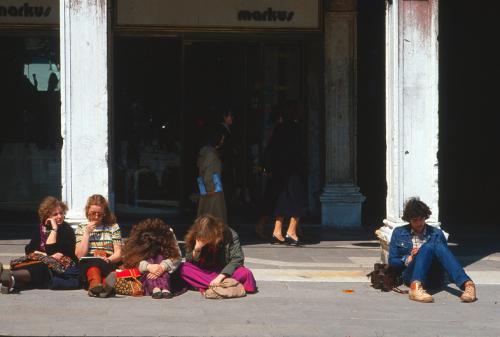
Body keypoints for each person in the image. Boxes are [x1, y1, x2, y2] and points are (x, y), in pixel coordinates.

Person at [388, 197, 477, 303]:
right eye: (414, 220)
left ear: (425, 217)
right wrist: (408, 258)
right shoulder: (399, 233)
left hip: (434, 276)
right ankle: (415, 288)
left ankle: (467, 285)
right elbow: (392, 260)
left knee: (432, 246)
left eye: (421, 219)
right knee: (428, 247)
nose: (419, 223)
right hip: (411, 276)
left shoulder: (436, 233)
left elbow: (445, 258)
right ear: (409, 220)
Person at [0, 196, 79, 294]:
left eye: (61, 213)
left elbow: (56, 252)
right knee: (32, 265)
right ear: (47, 216)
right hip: (41, 261)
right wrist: (42, 255)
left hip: (61, 265)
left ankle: (9, 276)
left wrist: (54, 230)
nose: (59, 216)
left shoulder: (67, 230)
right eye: (55, 214)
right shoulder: (41, 229)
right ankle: (10, 280)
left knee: (41, 267)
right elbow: (29, 249)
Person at [179, 214, 257, 294]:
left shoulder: (229, 234)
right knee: (183, 268)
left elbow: (237, 259)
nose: (205, 239)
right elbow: (189, 261)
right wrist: (197, 249)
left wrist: (220, 277)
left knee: (246, 273)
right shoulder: (194, 236)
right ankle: (225, 285)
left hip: (224, 271)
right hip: (204, 271)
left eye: (208, 237)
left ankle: (210, 285)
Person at [266, 102, 307, 246]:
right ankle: (291, 232)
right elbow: (299, 151)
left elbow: (271, 148)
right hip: (293, 170)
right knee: (298, 199)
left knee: (282, 199)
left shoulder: (279, 128)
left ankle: (277, 232)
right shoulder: (296, 129)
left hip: (280, 170)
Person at [119, 218, 182, 299]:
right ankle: (159, 288)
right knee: (151, 260)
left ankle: (161, 288)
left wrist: (163, 267)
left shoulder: (168, 233)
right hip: (145, 268)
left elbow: (177, 256)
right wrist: (148, 267)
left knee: (160, 257)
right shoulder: (136, 237)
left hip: (165, 267)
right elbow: (128, 258)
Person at [75, 194, 122, 297]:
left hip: (107, 261)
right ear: (87, 212)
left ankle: (94, 287)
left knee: (99, 264)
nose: (96, 217)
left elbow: (119, 253)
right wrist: (87, 233)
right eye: (93, 213)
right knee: (92, 263)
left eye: (100, 214)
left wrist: (109, 259)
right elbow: (79, 255)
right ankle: (103, 286)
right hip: (88, 261)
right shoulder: (81, 227)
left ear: (104, 213)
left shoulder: (113, 227)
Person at [197, 125, 228, 225]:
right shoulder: (211, 154)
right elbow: (208, 173)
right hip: (213, 191)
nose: (222, 141)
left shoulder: (205, 153)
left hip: (207, 190)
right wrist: (211, 188)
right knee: (213, 219)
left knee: (206, 218)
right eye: (221, 138)